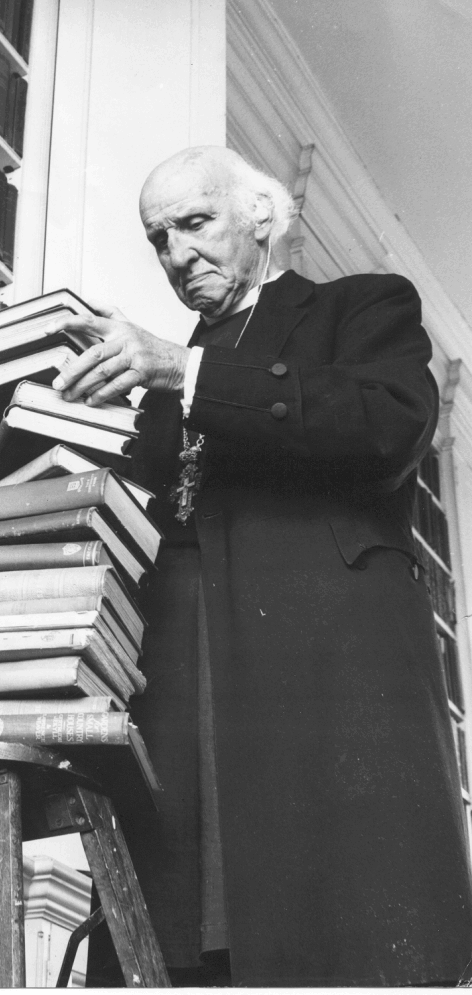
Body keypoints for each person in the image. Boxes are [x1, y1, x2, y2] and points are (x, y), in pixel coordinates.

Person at [49, 146, 472, 986]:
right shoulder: (155, 392)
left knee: (337, 943)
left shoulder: (361, 307)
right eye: (158, 239)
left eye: (194, 223)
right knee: (174, 955)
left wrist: (186, 368)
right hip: (175, 694)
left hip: (320, 684)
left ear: (261, 218)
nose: (176, 256)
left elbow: (390, 429)